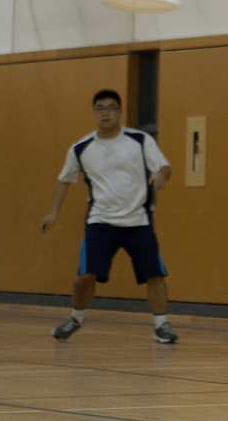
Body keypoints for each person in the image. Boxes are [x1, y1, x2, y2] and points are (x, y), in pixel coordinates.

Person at [40, 89, 178, 344]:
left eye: (111, 108)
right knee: (85, 275)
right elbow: (64, 181)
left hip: (138, 220)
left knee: (155, 274)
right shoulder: (81, 148)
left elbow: (164, 166)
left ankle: (162, 326)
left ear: (119, 112)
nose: (106, 113)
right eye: (100, 108)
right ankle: (76, 317)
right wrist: (52, 213)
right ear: (94, 113)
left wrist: (161, 176)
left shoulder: (139, 140)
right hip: (100, 222)